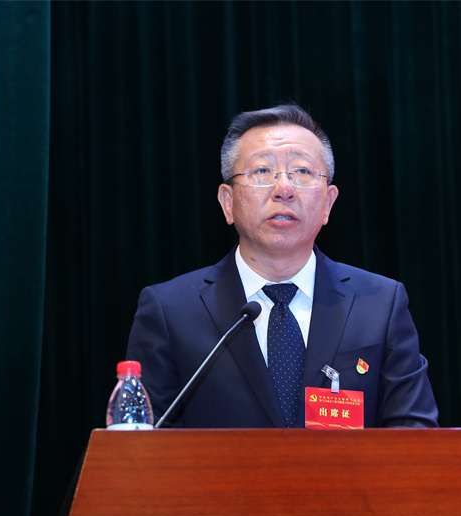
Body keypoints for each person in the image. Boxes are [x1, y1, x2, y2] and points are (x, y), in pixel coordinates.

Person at [126, 104, 439, 429]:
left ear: (328, 203)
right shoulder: (170, 311)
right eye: (262, 171)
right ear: (228, 202)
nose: (284, 189)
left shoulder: (380, 304)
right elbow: (142, 446)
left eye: (302, 172)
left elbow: (414, 435)